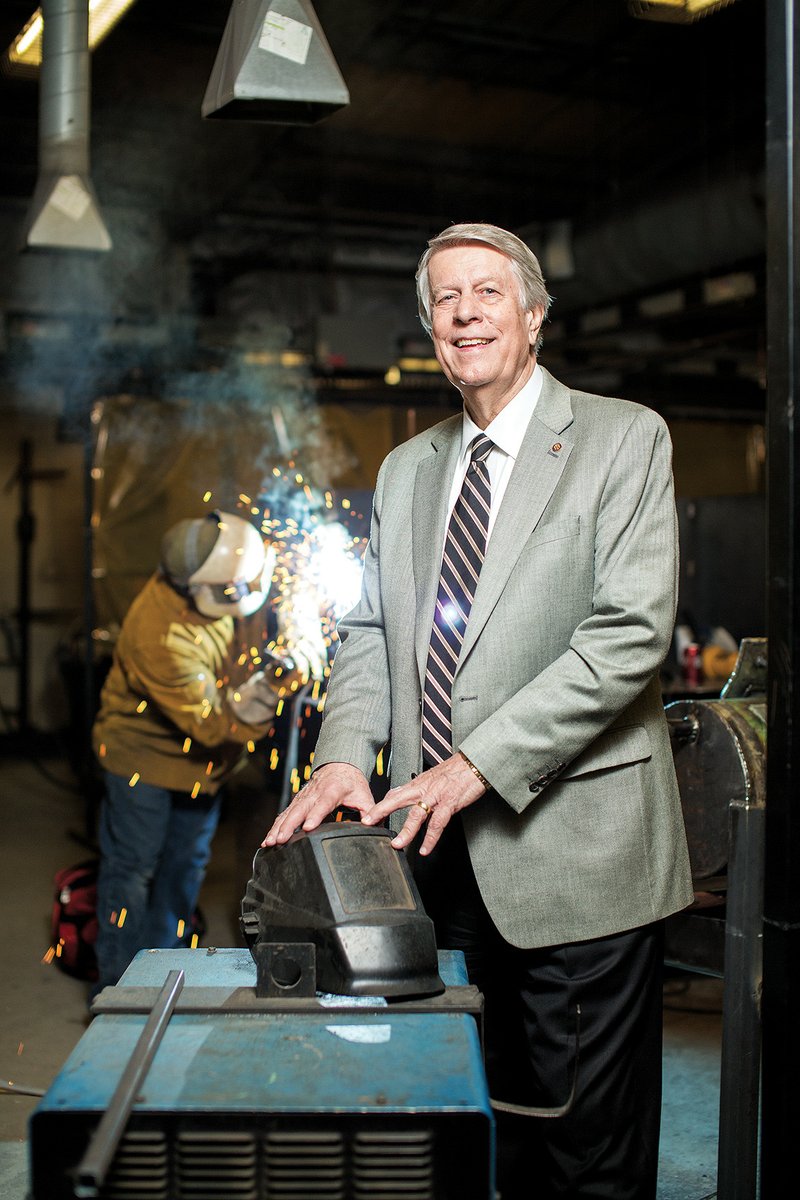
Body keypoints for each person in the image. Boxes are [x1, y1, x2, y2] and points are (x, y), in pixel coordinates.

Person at [262, 223, 693, 1199]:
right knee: (464, 1123)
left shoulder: (621, 438)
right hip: (438, 861)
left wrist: (478, 762)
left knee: (580, 1148)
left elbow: (627, 638)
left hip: (575, 860)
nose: (463, 311)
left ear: (533, 315)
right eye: (443, 298)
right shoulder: (407, 468)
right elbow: (370, 629)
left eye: (487, 292)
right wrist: (344, 753)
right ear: (427, 328)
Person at [92, 509, 325, 993]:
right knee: (133, 875)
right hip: (145, 764)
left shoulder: (234, 570)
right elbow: (218, 723)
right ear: (211, 591)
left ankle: (165, 977)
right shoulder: (163, 637)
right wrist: (274, 683)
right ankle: (118, 990)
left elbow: (286, 595)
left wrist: (301, 636)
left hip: (203, 771)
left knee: (184, 872)